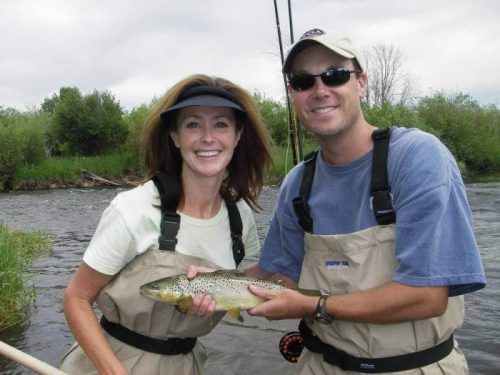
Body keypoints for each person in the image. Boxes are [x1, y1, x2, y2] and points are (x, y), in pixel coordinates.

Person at [194, 28, 487, 374]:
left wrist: (314, 305)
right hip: (320, 364)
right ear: (293, 94)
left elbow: (428, 296)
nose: (320, 91)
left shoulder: (417, 157)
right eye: (303, 81)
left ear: (361, 83)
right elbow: (278, 275)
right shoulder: (296, 184)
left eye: (335, 75)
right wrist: (216, 282)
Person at [59, 74, 273, 375]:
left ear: (238, 136)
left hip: (187, 363)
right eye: (193, 124)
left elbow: (239, 280)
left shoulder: (240, 216)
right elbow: (76, 298)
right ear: (175, 137)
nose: (208, 137)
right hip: (110, 362)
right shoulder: (134, 208)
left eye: (221, 124)